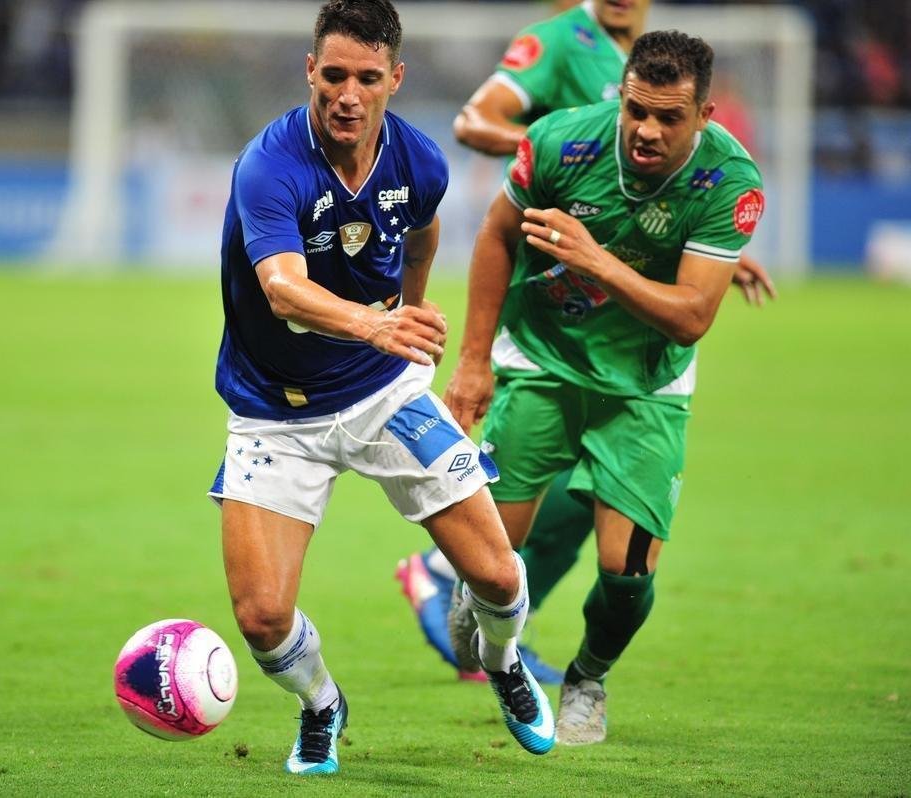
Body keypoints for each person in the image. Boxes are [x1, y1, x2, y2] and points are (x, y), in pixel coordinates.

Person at [208, 0, 555, 775]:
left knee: (498, 576)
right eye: (333, 75)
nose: (348, 95)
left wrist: (414, 303)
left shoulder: (419, 161)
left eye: (368, 77)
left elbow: (425, 226)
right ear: (310, 71)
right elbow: (283, 290)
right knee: (262, 618)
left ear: (395, 77)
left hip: (384, 394)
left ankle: (502, 665)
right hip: (276, 413)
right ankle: (322, 705)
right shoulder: (269, 165)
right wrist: (378, 324)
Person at [395, 0, 776, 684]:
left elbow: (691, 314)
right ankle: (470, 600)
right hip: (547, 350)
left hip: (643, 375)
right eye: (637, 111)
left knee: (613, 563)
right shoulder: (561, 61)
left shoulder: (730, 177)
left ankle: (580, 674)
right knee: (497, 543)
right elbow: (484, 167)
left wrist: (620, 252)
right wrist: (473, 361)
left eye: (668, 117)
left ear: (704, 117)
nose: (647, 129)